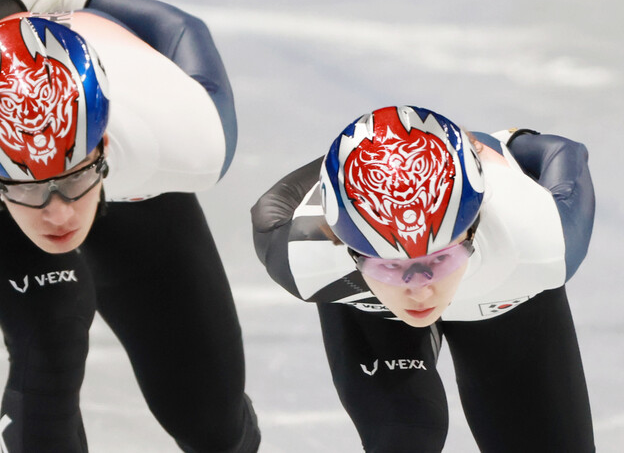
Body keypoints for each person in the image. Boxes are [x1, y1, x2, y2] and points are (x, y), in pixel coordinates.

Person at [0, 0, 259, 453]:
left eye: (74, 180)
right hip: (11, 193)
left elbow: (183, 31)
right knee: (49, 346)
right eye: (30, 186)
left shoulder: (181, 134)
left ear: (102, 144)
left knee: (211, 421)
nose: (57, 212)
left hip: (123, 150)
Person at [251, 105, 595, 452]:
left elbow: (564, 152)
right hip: (371, 302)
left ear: (473, 229)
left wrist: (509, 145)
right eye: (390, 266)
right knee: (404, 435)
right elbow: (271, 210)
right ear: (349, 249)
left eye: (441, 259)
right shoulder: (311, 258)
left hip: (500, 284)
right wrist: (349, 166)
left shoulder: (535, 240)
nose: (420, 290)